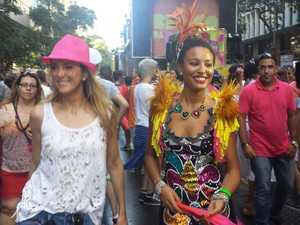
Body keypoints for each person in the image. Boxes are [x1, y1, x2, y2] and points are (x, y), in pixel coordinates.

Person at [15, 34, 127, 225]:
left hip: (84, 217)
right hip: (38, 215)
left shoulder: (105, 114)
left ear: (84, 73)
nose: (59, 73)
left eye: (68, 66)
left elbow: (115, 164)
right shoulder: (40, 114)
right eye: (54, 66)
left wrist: (121, 213)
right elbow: (35, 162)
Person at [145, 36, 240, 225]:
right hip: (173, 210)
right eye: (194, 63)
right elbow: (149, 156)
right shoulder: (161, 108)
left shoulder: (223, 111)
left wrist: (223, 194)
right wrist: (159, 186)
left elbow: (234, 170)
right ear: (180, 67)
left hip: (213, 212)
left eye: (208, 64)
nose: (203, 70)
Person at [239, 53, 297, 225]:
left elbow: (292, 115)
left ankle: (274, 213)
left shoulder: (287, 89)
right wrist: (245, 144)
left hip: (284, 147)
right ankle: (261, 221)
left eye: (270, 67)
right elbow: (241, 118)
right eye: (263, 67)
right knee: (263, 187)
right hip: (259, 149)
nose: (266, 71)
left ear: (276, 68)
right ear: (258, 69)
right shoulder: (248, 91)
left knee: (286, 185)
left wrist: (294, 142)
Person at [0, 72, 42, 225]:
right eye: (24, 85)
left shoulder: (43, 111)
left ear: (37, 89)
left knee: (33, 212)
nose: (28, 89)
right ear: (17, 87)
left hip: (38, 172)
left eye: (32, 85)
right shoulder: (5, 110)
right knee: (9, 210)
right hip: (10, 170)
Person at [124, 58, 161, 206]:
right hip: (147, 128)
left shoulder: (139, 87)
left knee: (148, 163)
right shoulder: (149, 89)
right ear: (153, 71)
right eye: (157, 70)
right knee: (152, 162)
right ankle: (149, 192)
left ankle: (146, 192)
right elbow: (157, 108)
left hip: (142, 127)